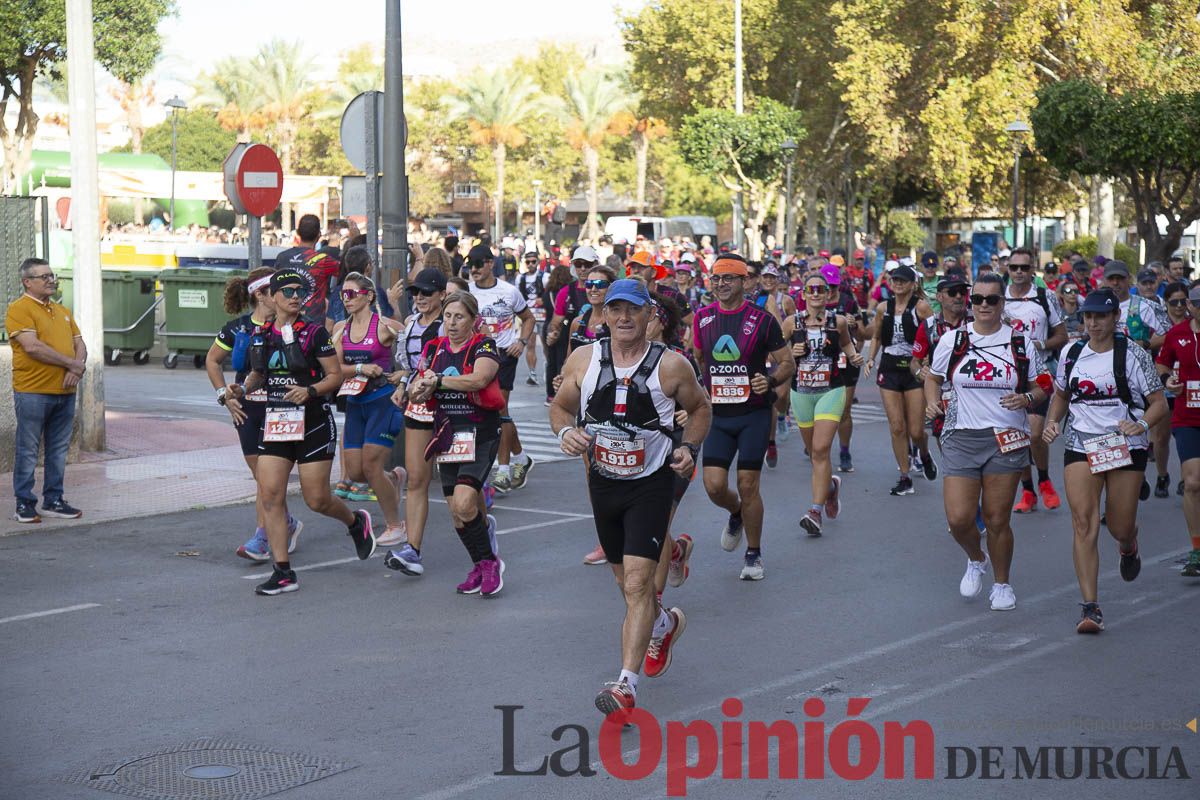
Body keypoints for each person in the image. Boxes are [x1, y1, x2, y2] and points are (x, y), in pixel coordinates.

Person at [551, 278, 712, 718]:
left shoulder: (672, 366)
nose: (623, 318)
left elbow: (700, 409)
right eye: (616, 309)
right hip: (603, 484)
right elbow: (560, 405)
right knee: (627, 588)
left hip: (651, 484)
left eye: (633, 310)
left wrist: (688, 448)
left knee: (640, 584)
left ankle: (625, 685)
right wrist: (566, 431)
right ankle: (665, 624)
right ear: (603, 315)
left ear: (649, 316)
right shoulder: (583, 360)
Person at [224, 269, 376, 596]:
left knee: (316, 499)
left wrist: (310, 391)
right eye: (288, 291)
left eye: (300, 291)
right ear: (273, 297)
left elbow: (334, 376)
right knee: (270, 494)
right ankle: (283, 572)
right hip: (277, 422)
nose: (295, 296)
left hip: (313, 422)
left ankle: (355, 522)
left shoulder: (314, 333)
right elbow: (257, 375)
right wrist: (240, 388)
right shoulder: (261, 333)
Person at [1044, 288, 1167, 632]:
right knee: (1084, 523)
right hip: (1081, 443)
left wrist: (1140, 424)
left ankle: (1128, 545)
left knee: (1119, 525)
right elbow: (1061, 394)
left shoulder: (1134, 355)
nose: (1094, 323)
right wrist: (1053, 422)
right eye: (1088, 316)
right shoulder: (1072, 351)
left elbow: (1159, 403)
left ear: (1115, 319)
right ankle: (1090, 607)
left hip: (1125, 444)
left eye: (1101, 316)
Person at [924, 273, 1049, 613]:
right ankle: (976, 557)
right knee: (960, 519)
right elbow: (933, 377)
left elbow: (1043, 385)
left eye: (991, 300)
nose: (982, 305)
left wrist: (1026, 398)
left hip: (1005, 438)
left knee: (996, 519)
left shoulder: (1020, 343)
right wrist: (931, 400)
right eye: (976, 299)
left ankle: (1002, 583)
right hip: (961, 436)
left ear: (1001, 304)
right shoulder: (953, 340)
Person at [692, 254, 794, 580]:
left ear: (743, 282)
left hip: (754, 414)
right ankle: (735, 512)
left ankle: (753, 553)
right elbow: (698, 359)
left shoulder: (762, 320)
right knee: (713, 486)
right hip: (718, 416)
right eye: (716, 279)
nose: (721, 285)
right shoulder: (702, 319)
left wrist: (772, 379)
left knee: (748, 484)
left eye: (728, 279)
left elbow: (787, 362)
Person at [406, 291, 506, 596]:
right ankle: (480, 563)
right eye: (448, 316)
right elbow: (418, 386)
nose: (451, 322)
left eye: (459, 316)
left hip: (481, 434)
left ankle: (490, 564)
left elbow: (478, 380)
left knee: (465, 502)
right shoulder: (434, 348)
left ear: (473, 320)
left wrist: (437, 381)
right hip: (449, 436)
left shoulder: (483, 345)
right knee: (457, 512)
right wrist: (416, 390)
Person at [206, 268, 304, 559]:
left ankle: (262, 537)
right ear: (261, 295)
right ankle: (287, 524)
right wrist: (224, 396)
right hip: (247, 410)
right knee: (262, 479)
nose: (287, 296)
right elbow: (213, 361)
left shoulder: (290, 326)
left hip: (281, 409)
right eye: (279, 291)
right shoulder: (237, 328)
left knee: (268, 478)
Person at [782, 271, 863, 535]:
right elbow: (776, 355)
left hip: (831, 389)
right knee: (813, 452)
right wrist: (790, 355)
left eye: (820, 289)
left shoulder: (837, 321)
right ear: (803, 294)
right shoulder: (790, 324)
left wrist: (855, 357)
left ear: (828, 294)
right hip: (802, 392)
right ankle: (830, 488)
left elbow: (847, 345)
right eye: (811, 289)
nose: (816, 293)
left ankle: (815, 510)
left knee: (820, 449)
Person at [6, 257, 86, 523]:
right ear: (27, 282)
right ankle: (24, 503)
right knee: (28, 448)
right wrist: (72, 364)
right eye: (44, 277)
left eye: (52, 276)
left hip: (64, 393)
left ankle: (54, 499)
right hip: (33, 392)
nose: (51, 280)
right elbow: (33, 347)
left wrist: (76, 368)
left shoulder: (62, 311)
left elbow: (79, 342)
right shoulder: (19, 309)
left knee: (58, 449)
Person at [332, 272, 406, 547]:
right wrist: (360, 368)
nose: (346, 299)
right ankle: (394, 479)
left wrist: (405, 375)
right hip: (354, 403)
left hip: (382, 401)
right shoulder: (340, 328)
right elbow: (335, 369)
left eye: (351, 293)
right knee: (356, 473)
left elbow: (417, 343)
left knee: (371, 466)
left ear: (369, 296)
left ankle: (395, 525)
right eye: (343, 294)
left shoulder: (384, 326)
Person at [383, 268, 447, 576]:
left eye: (427, 293)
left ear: (442, 296)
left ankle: (483, 538)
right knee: (418, 479)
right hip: (418, 407)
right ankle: (413, 549)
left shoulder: (450, 323)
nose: (419, 298)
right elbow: (409, 366)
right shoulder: (409, 325)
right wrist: (402, 385)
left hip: (451, 407)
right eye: (416, 293)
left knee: (461, 491)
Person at [466, 243, 537, 493]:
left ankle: (504, 471)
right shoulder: (467, 291)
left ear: (489, 263)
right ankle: (521, 458)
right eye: (469, 264)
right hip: (476, 355)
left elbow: (528, 317)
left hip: (504, 355)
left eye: (477, 263)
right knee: (495, 411)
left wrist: (521, 341)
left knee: (499, 410)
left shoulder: (508, 291)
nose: (472, 269)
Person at [1002, 247, 1067, 514]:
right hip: (1007, 373)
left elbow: (1062, 336)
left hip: (1038, 372)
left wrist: (1040, 343)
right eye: (1014, 267)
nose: (1019, 272)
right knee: (1016, 437)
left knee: (1035, 432)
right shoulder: (997, 297)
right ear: (1007, 269)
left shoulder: (1044, 296)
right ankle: (1028, 490)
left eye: (1024, 268)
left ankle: (1045, 481)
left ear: (1032, 270)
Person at [865, 263, 937, 495]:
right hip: (889, 367)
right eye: (894, 279)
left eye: (902, 280)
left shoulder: (922, 308)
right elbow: (876, 336)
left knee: (916, 431)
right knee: (897, 427)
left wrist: (929, 363)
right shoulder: (883, 308)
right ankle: (904, 476)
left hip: (913, 369)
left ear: (912, 284)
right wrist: (870, 359)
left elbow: (935, 337)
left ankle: (924, 454)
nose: (897, 283)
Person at [1155, 283, 1200, 578]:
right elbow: (1161, 363)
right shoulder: (1178, 333)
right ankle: (1197, 550)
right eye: (1195, 303)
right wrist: (1169, 378)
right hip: (1187, 417)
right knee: (1193, 482)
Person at [275, 214, 341, 328]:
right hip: (313, 324)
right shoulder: (323, 260)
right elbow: (348, 272)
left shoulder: (282, 257)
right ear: (319, 235)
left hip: (285, 321)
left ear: (298, 232)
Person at [541, 264, 574, 404]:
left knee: (551, 362)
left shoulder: (547, 292)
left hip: (548, 327)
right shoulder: (567, 293)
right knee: (562, 361)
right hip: (562, 328)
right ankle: (560, 390)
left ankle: (550, 394)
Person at [517, 249, 546, 386]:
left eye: (533, 262)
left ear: (538, 262)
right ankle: (532, 372)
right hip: (529, 316)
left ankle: (548, 367)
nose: (530, 264)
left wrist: (544, 299)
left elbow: (552, 294)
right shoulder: (520, 278)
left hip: (544, 316)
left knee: (547, 346)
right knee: (531, 345)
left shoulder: (545, 277)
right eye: (528, 262)